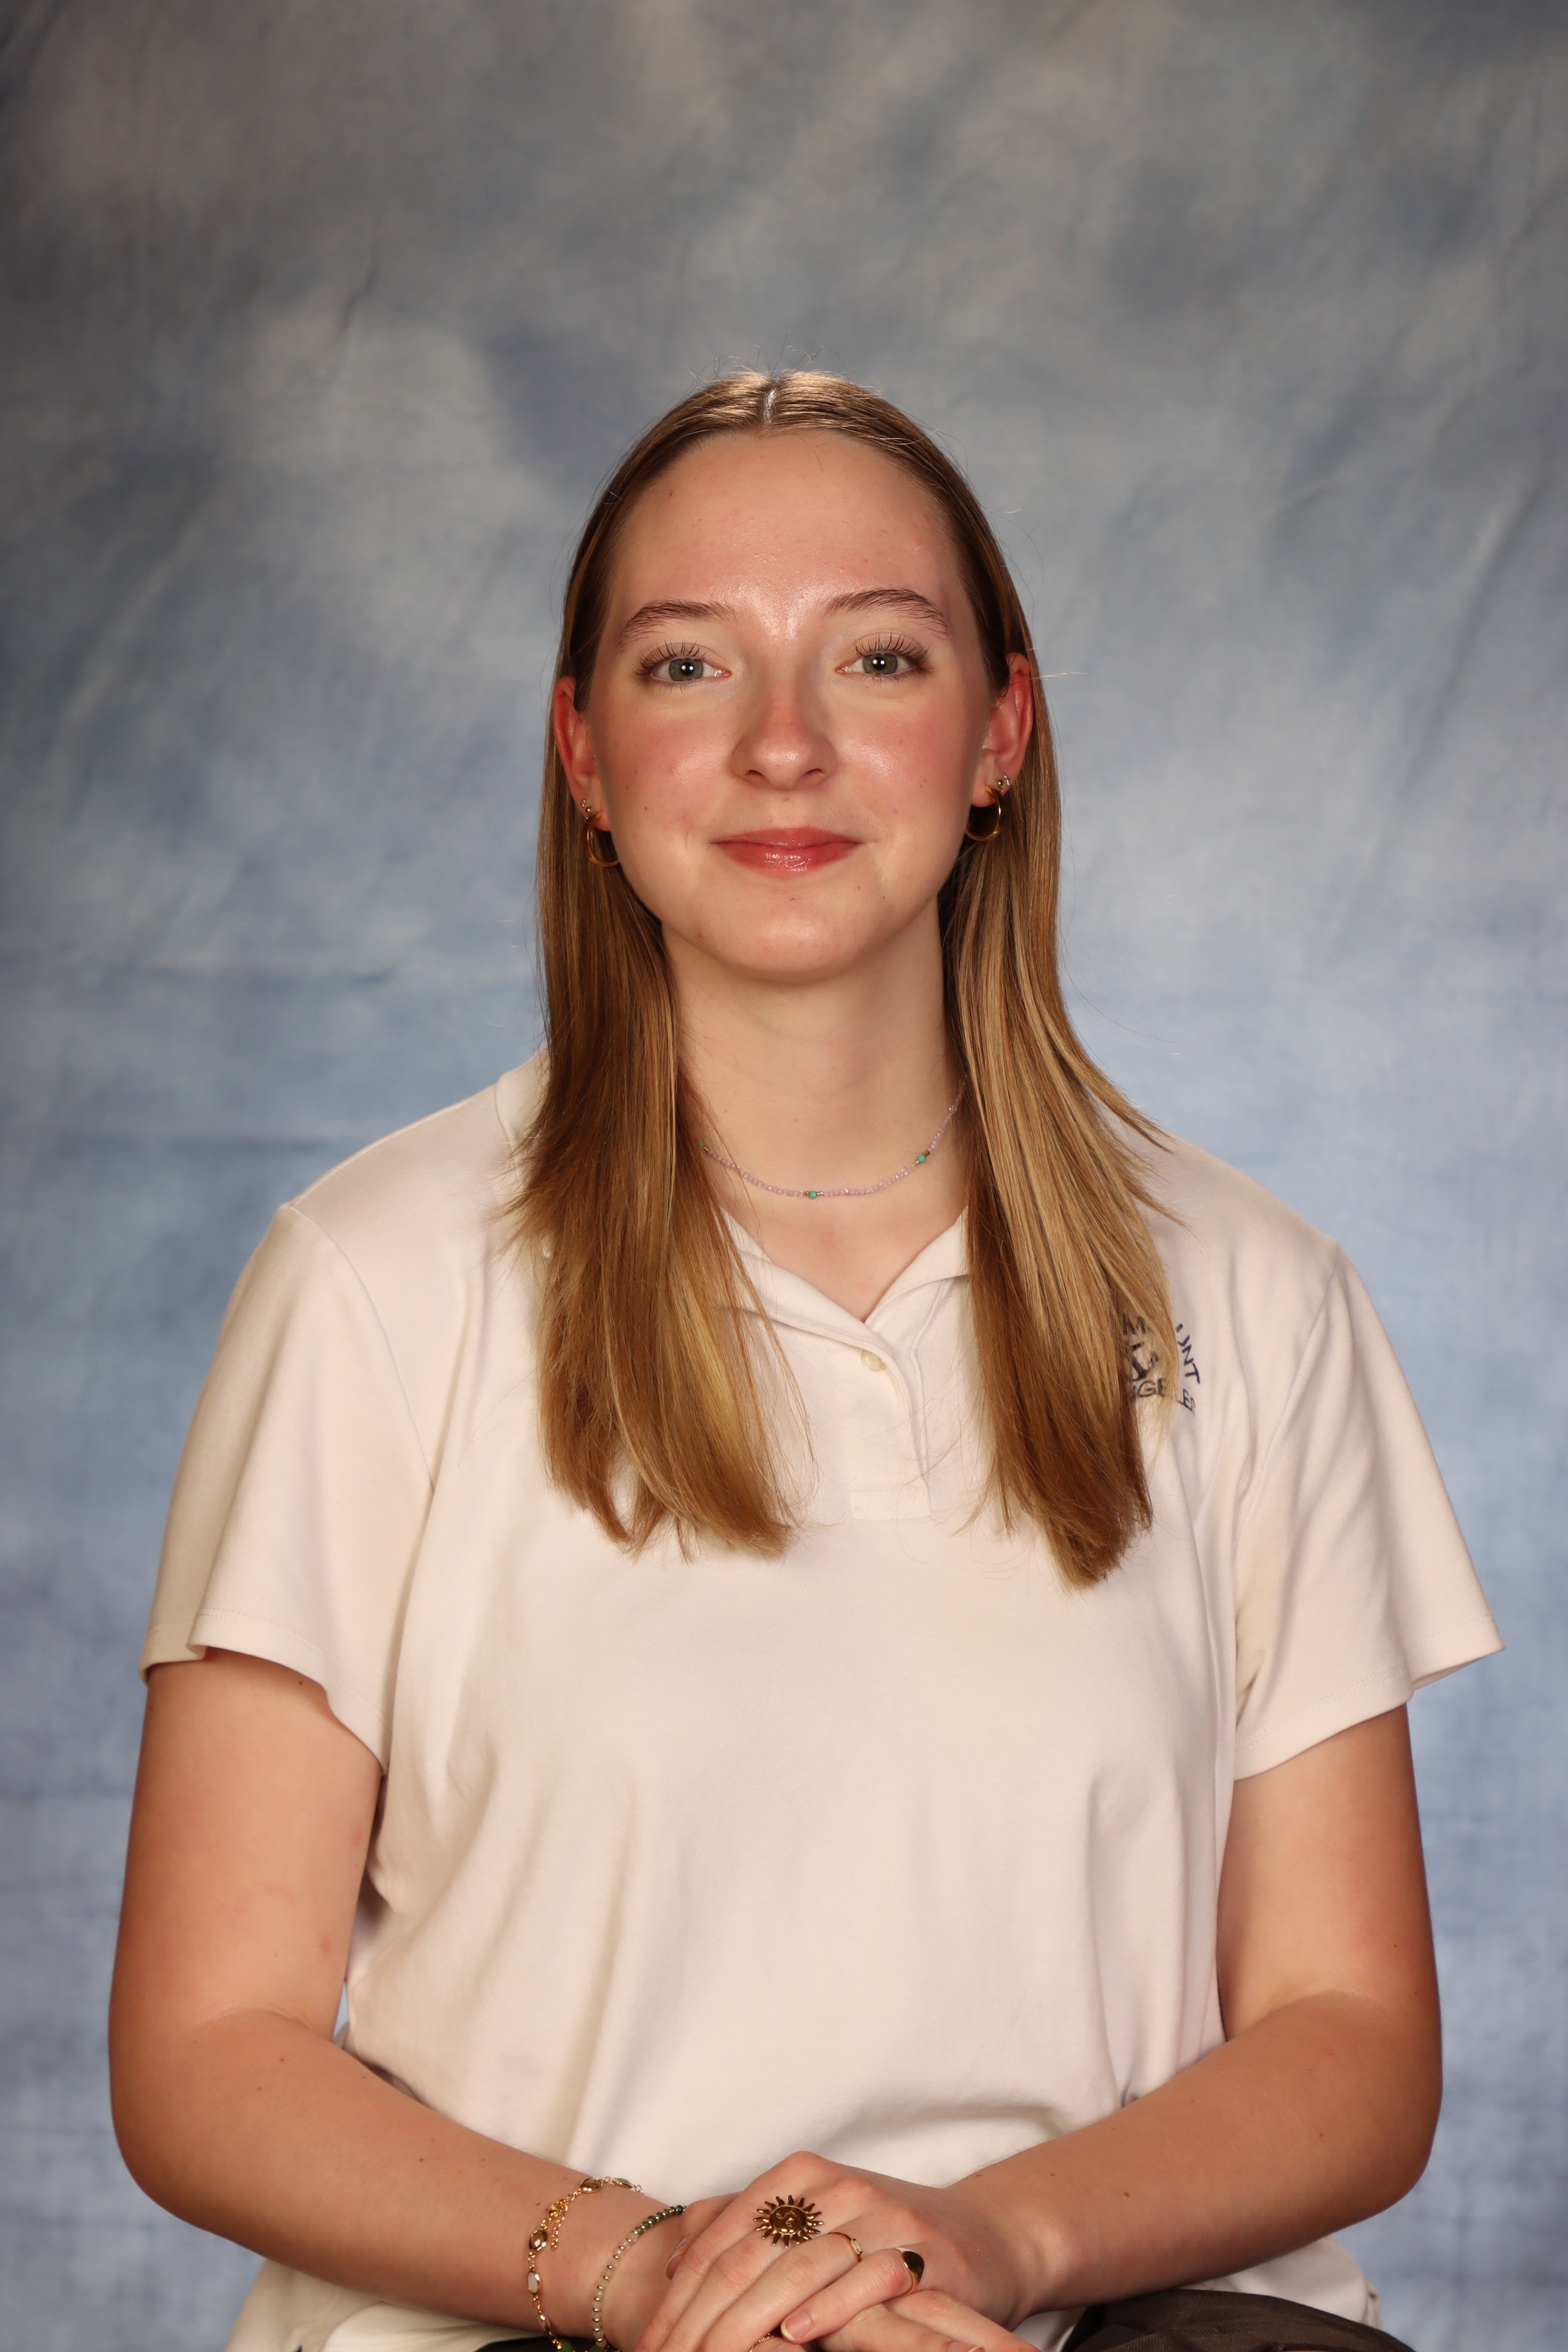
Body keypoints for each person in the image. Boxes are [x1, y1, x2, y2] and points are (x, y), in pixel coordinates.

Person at [109, 372, 1500, 2352]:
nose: (783, 744)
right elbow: (204, 2049)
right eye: (688, 665)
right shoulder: (371, 1282)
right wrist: (651, 2272)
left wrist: (980, 2245)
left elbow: (1346, 2033)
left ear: (997, 733)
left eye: (877, 656)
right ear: (585, 757)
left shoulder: (1255, 1292)